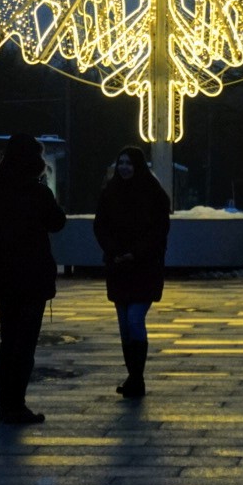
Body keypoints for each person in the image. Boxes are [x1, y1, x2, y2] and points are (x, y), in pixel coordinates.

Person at [0, 132, 66, 425]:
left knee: (8, 338)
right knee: (25, 342)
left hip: (2, 273)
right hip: (33, 276)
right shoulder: (37, 191)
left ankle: (6, 402)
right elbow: (57, 222)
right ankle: (17, 403)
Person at [92, 146, 171, 399]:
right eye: (121, 162)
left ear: (138, 166)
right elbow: (100, 226)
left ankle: (137, 377)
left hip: (143, 266)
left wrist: (135, 253)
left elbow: (159, 232)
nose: (124, 167)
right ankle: (133, 377)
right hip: (118, 266)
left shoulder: (154, 195)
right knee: (125, 324)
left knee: (135, 319)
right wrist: (113, 250)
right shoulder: (109, 193)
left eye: (129, 163)